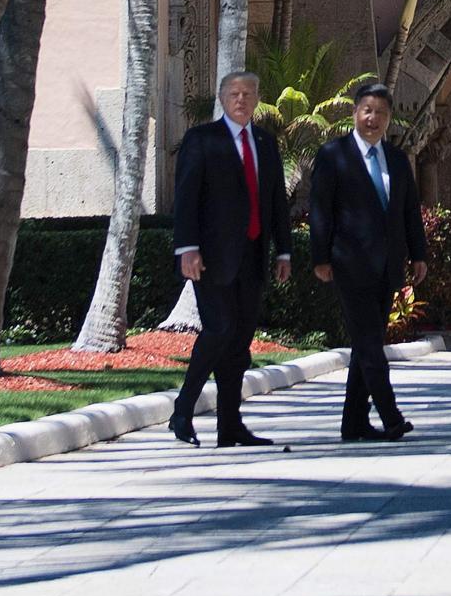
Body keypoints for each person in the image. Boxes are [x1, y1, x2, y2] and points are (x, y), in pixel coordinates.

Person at [169, 70, 293, 448]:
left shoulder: (266, 143)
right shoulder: (201, 140)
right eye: (234, 93)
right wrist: (186, 247)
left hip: (253, 256)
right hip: (211, 257)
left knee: (239, 342)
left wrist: (284, 250)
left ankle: (230, 426)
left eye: (248, 93)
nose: (241, 99)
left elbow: (276, 202)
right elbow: (186, 197)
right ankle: (183, 409)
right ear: (222, 99)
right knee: (218, 329)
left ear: (257, 100)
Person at [308, 81, 428, 442]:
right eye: (367, 110)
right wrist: (320, 257)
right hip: (348, 264)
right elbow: (320, 211)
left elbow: (408, 211)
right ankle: (391, 417)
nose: (373, 118)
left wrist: (418, 253)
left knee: (367, 342)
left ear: (389, 118)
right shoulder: (333, 155)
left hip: (387, 266)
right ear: (355, 113)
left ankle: (354, 423)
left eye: (380, 113)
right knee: (371, 344)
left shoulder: (397, 159)